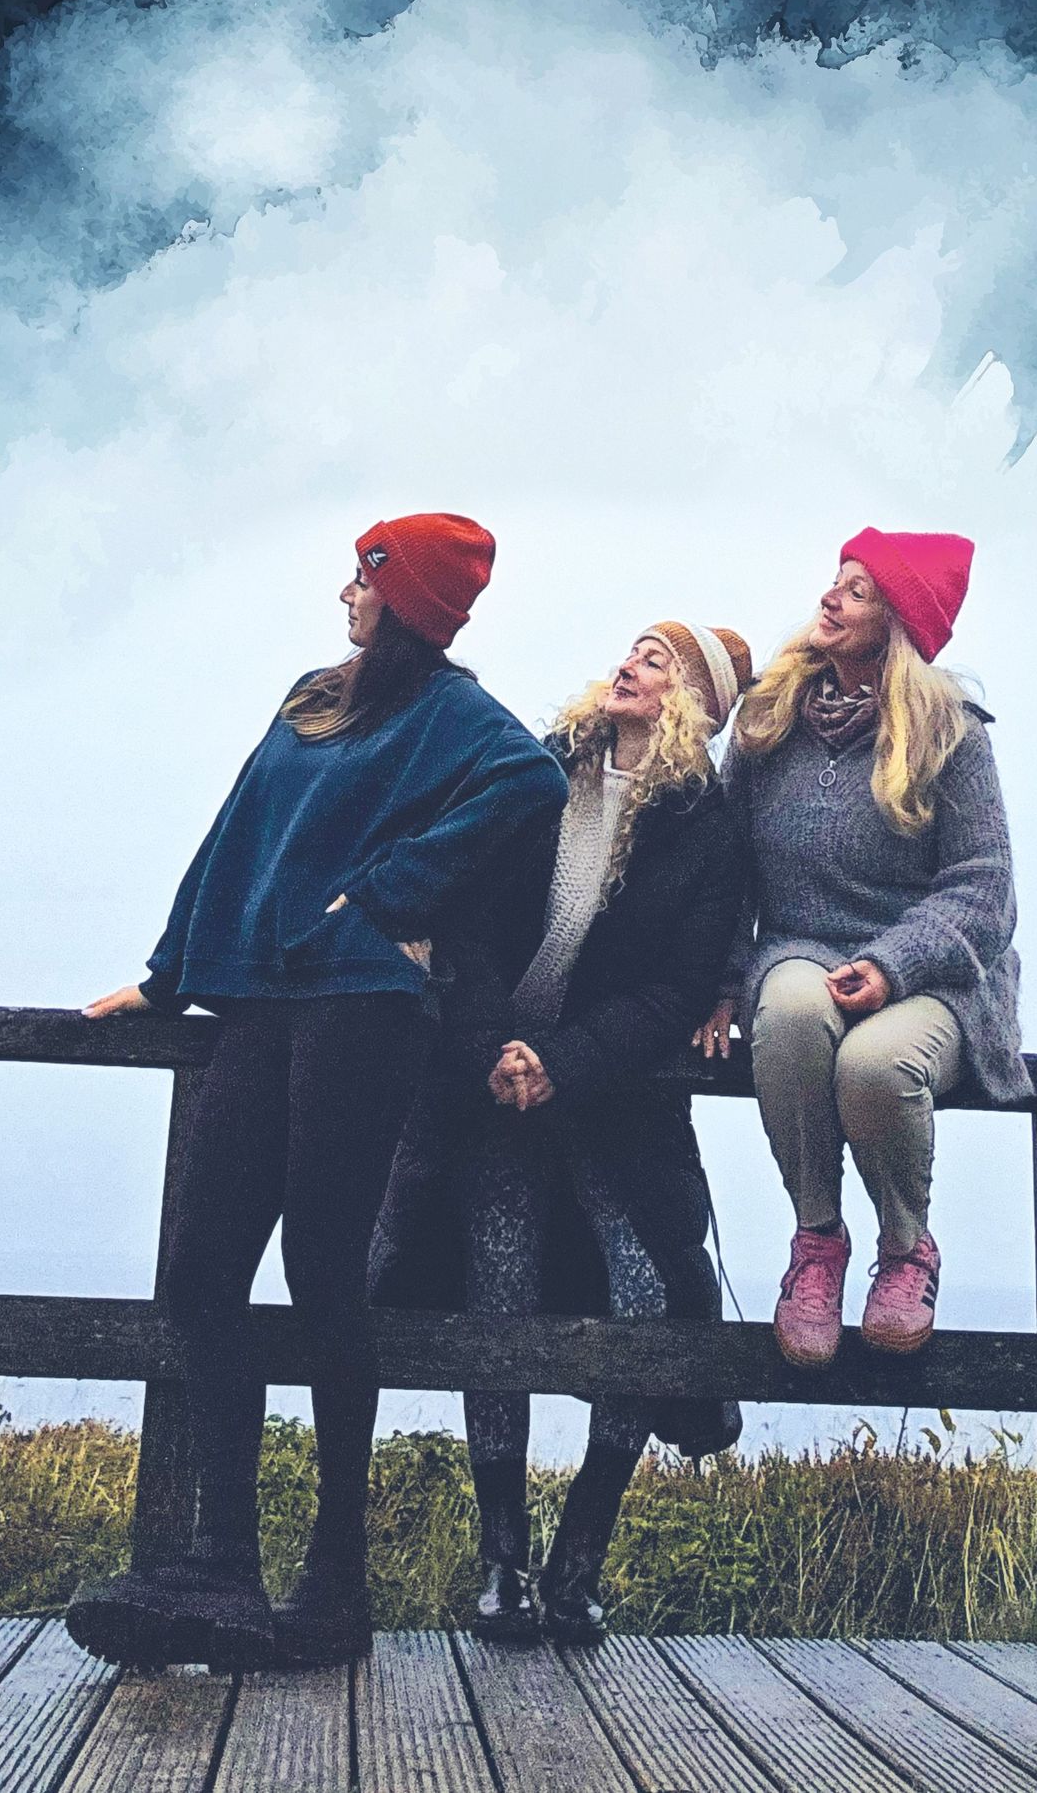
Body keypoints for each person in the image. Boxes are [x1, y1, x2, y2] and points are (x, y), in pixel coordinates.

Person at [63, 513, 568, 1671]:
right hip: (256, 994)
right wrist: (166, 973)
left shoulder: (452, 713)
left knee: (321, 1268)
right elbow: (235, 833)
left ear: (408, 603)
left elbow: (529, 781)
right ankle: (220, 1561)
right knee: (201, 1269)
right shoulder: (313, 697)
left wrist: (389, 893)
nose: (349, 589)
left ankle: (334, 1580)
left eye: (367, 575)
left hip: (360, 1004)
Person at [369, 620, 751, 1642]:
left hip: (609, 1099)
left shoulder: (705, 829)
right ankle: (501, 1560)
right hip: (490, 1087)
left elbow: (677, 983)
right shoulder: (543, 773)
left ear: (697, 709)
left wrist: (564, 1062)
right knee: (496, 1281)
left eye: (659, 660)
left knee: (639, 1296)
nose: (629, 664)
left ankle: (579, 1561)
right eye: (631, 649)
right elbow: (476, 924)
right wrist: (497, 1044)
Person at [698, 530, 1030, 1368]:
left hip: (936, 980)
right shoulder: (768, 722)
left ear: (899, 622)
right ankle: (817, 1241)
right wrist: (724, 979)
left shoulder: (951, 733)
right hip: (800, 950)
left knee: (875, 1065)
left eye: (859, 589)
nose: (831, 598)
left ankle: (906, 1248)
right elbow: (723, 869)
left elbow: (985, 887)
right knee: (796, 1014)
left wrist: (893, 965)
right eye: (835, 582)